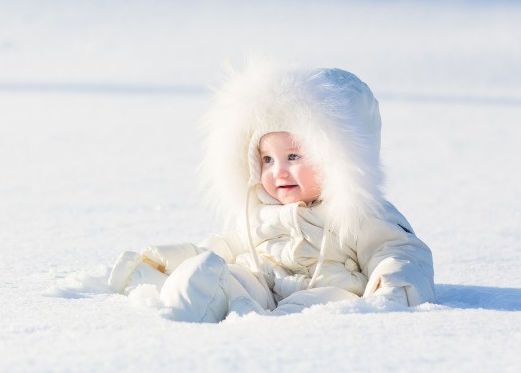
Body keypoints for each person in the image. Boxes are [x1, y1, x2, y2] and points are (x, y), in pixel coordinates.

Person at [108, 60, 436, 322]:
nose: (278, 171)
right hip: (262, 287)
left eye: (294, 156)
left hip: (327, 294)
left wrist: (392, 287)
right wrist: (178, 259)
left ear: (338, 159)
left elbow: (399, 252)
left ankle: (275, 338)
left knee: (318, 304)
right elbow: (228, 245)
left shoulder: (359, 212)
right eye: (267, 159)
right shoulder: (261, 210)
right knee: (215, 274)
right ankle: (183, 315)